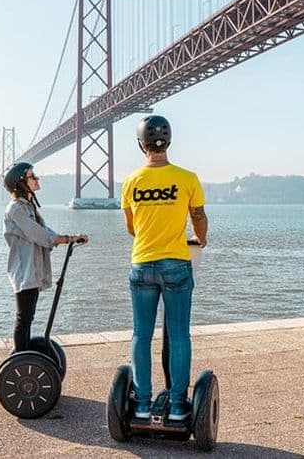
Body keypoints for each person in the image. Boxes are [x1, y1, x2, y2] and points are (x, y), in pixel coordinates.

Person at [121, 115, 208, 421]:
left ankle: (142, 404)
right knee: (180, 334)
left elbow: (131, 226)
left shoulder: (131, 181)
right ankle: (178, 404)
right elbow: (198, 217)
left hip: (142, 263)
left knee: (141, 335)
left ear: (140, 145)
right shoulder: (187, 178)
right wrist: (200, 238)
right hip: (176, 265)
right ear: (168, 142)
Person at [2, 162, 88, 352]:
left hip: (32, 269)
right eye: (33, 176)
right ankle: (21, 360)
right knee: (23, 317)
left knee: (28, 316)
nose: (37, 179)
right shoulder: (16, 209)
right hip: (24, 270)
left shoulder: (28, 207)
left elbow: (45, 231)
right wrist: (64, 239)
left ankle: (24, 356)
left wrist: (71, 237)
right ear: (21, 183)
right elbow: (39, 235)